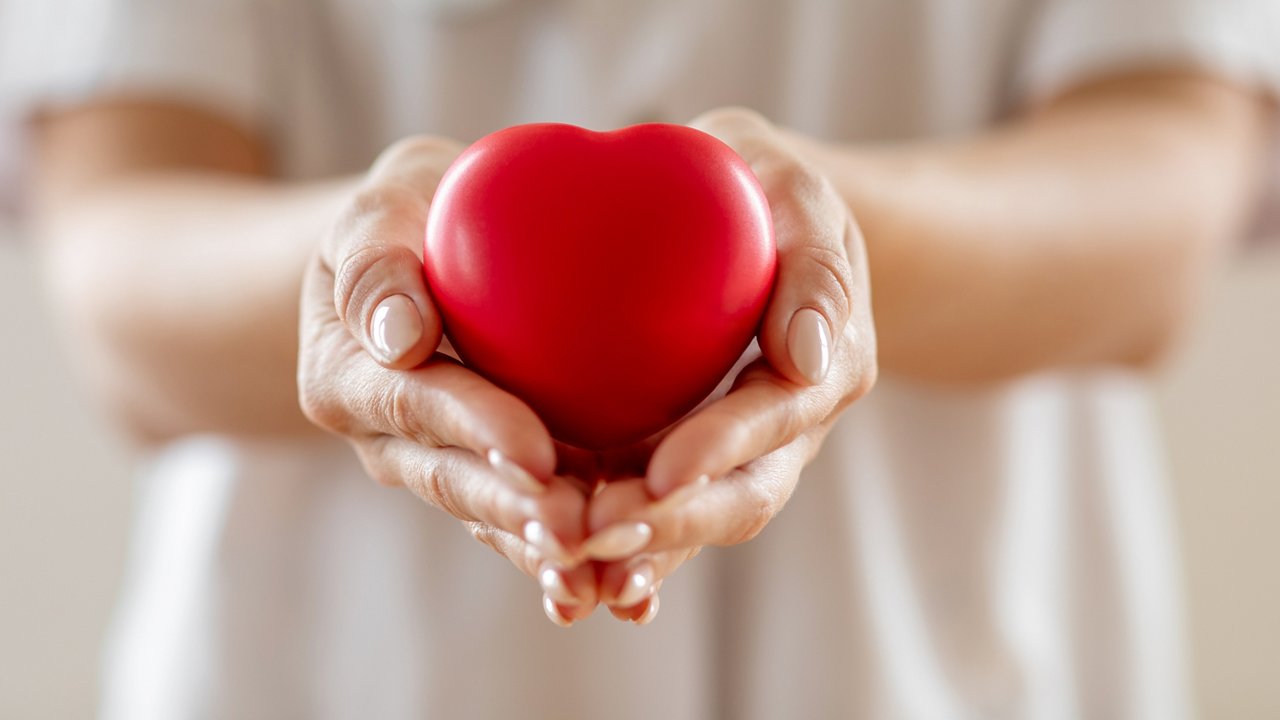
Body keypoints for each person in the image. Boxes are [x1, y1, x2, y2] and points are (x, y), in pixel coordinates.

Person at [2, 0, 1277, 717]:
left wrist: (830, 243)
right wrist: (377, 273)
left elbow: (1167, 169)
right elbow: (120, 246)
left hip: (938, 668)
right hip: (336, 673)